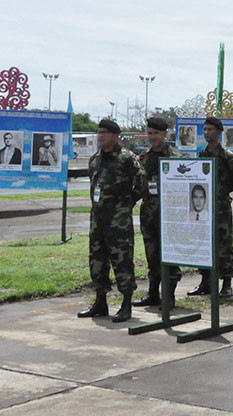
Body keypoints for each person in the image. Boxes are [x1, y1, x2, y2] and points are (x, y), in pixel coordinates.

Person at [78, 119, 143, 323]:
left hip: (118, 220)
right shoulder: (95, 159)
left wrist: (126, 203)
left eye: (105, 133)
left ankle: (126, 304)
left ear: (115, 136)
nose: (100, 136)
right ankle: (100, 302)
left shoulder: (126, 158)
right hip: (98, 217)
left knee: (122, 259)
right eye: (99, 132)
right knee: (97, 259)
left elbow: (141, 183)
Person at [187, 116, 233, 298]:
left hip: (221, 208)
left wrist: (221, 191)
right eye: (205, 130)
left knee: (224, 245)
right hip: (203, 207)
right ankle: (206, 282)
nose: (207, 133)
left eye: (210, 129)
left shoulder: (226, 156)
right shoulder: (202, 155)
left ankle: (226, 283)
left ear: (219, 132)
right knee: (203, 243)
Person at [133, 117, 182, 309]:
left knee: (170, 255)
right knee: (151, 255)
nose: (152, 137)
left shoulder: (176, 158)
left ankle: (169, 296)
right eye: (150, 133)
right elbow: (139, 186)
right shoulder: (144, 158)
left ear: (165, 134)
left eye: (156, 133)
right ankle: (153, 294)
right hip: (149, 215)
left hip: (170, 215)